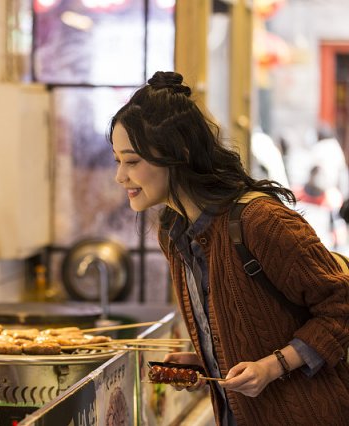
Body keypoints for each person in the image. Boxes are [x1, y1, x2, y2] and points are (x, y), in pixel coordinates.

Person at [109, 71, 349, 425]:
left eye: (132, 161)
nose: (120, 176)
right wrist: (208, 360)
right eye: (117, 161)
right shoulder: (174, 232)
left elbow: (340, 307)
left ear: (179, 154)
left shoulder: (259, 221)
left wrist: (272, 367)